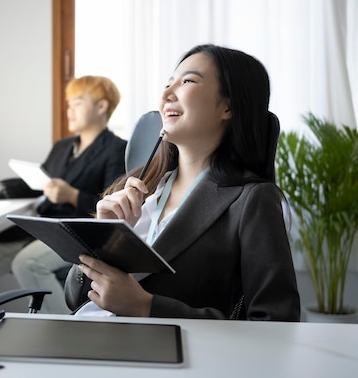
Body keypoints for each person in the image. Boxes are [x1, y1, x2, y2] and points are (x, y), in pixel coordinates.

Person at [65, 44, 301, 320]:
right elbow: (73, 298)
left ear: (228, 106)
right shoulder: (136, 186)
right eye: (167, 84)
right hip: (84, 338)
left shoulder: (252, 200)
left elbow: (276, 321)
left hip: (159, 356)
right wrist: (101, 236)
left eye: (188, 81)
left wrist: (147, 307)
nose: (165, 95)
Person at [0, 75, 127, 311]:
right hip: (43, 227)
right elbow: (36, 183)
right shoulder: (63, 147)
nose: (69, 110)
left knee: (28, 263)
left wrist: (72, 196)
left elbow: (112, 207)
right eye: (68, 104)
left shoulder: (117, 150)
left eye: (76, 103)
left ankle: (65, 334)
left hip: (78, 232)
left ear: (101, 106)